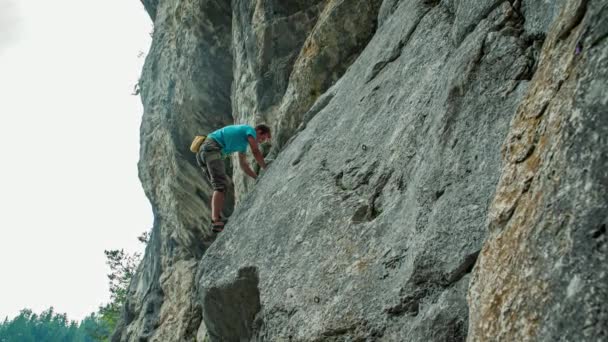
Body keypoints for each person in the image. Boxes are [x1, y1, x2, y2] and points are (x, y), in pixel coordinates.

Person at [199, 123, 271, 232]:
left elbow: (244, 166)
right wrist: (265, 167)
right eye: (264, 137)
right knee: (220, 185)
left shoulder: (242, 144)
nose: (263, 141)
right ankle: (215, 220)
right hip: (211, 148)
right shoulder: (250, 130)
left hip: (204, 152)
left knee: (221, 186)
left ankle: (217, 219)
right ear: (259, 131)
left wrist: (257, 178)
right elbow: (255, 151)